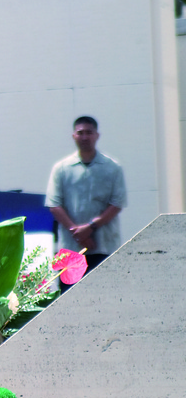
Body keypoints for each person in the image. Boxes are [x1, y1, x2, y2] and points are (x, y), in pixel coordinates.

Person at [46, 116, 127, 292]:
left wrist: (89, 228)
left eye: (89, 133)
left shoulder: (112, 167)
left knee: (105, 297)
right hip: (70, 250)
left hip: (104, 246)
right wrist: (79, 234)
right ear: (74, 136)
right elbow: (54, 205)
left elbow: (117, 203)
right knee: (68, 301)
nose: (85, 137)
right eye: (80, 133)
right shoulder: (61, 168)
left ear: (97, 135)